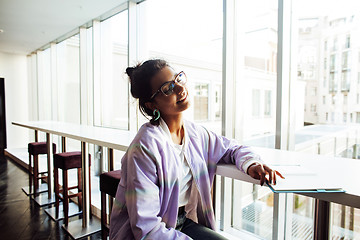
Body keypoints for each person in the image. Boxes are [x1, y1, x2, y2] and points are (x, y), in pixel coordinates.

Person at [109, 59, 284, 240]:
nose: (179, 89)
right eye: (167, 89)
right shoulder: (144, 148)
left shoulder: (195, 134)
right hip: (147, 232)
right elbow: (147, 229)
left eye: (178, 79)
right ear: (152, 105)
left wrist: (251, 164)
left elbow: (231, 148)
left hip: (182, 221)